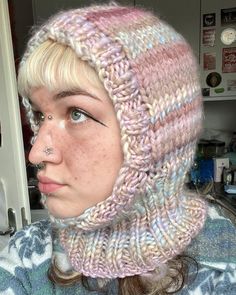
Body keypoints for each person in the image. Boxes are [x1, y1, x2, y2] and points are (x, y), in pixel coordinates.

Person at [0, 3, 236, 294]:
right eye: (39, 115)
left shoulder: (226, 261)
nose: (36, 154)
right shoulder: (26, 254)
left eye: (76, 113)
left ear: (156, 138)